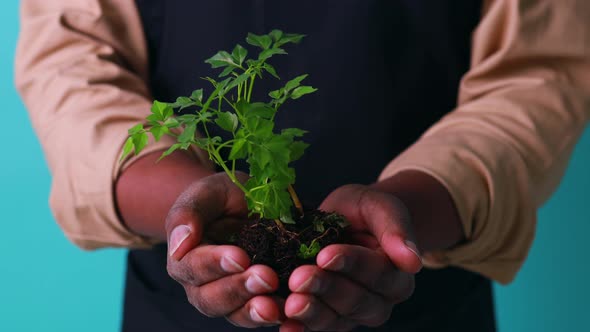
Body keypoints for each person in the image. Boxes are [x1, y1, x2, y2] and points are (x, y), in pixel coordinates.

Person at [15, 0, 590, 331]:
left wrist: (408, 211)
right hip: (177, 305)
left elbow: (537, 76)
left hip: (421, 290)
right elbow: (70, 63)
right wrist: (186, 212)